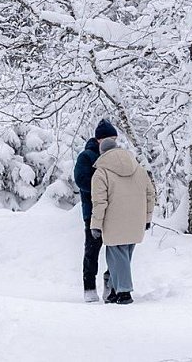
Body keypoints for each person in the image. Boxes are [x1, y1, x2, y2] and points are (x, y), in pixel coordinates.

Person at [90, 135, 156, 305]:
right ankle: (114, 290)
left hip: (113, 221)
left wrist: (96, 225)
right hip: (135, 220)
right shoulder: (138, 168)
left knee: (116, 255)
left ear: (102, 152)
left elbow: (99, 202)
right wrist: (147, 218)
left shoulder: (101, 172)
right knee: (122, 256)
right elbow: (150, 194)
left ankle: (125, 291)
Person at [74, 119, 117, 303]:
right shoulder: (87, 156)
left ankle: (111, 283)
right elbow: (81, 180)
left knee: (115, 249)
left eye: (115, 138)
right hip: (92, 211)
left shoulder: (116, 156)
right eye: (110, 138)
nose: (113, 142)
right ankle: (89, 288)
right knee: (92, 250)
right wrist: (100, 187)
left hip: (114, 210)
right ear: (99, 139)